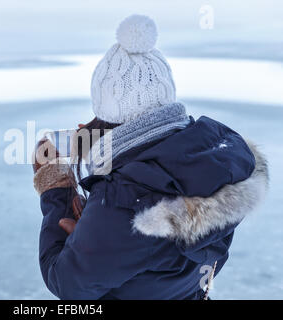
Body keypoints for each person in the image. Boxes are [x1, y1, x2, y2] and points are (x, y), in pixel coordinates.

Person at [32, 14, 269, 300]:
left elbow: (68, 283)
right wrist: (96, 230)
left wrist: (56, 192)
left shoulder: (123, 202)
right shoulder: (219, 161)